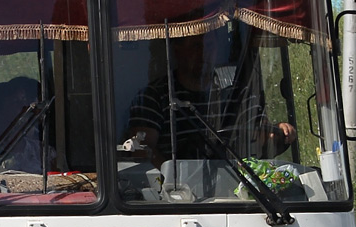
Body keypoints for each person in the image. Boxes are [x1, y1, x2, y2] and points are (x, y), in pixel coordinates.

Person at [126, 34, 295, 167]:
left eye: (210, 45)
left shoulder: (235, 92)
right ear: (177, 49)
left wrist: (276, 131)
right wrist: (176, 182)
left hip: (235, 189)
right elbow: (143, 150)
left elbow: (258, 132)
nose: (204, 52)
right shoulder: (154, 97)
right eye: (196, 46)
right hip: (177, 199)